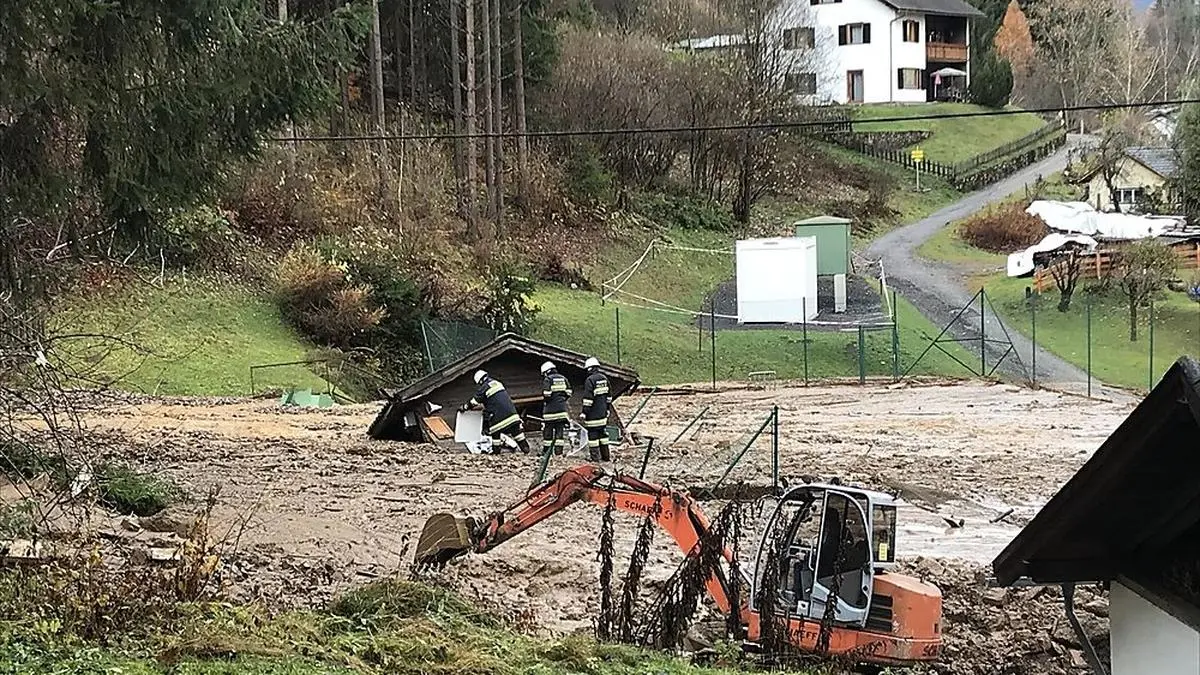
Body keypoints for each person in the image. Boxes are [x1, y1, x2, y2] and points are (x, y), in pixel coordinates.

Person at [460, 369, 530, 454]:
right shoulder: (497, 383)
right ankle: (526, 449)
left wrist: (464, 407)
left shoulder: (484, 388)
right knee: (517, 434)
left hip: (498, 418)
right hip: (513, 415)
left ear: (480, 381)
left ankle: (496, 452)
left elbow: (474, 402)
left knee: (495, 433)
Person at [581, 356, 611, 462]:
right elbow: (609, 397)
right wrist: (607, 409)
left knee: (593, 436)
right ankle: (606, 457)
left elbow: (588, 399)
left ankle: (595, 458)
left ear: (589, 368)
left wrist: (584, 412)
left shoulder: (590, 380)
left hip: (593, 415)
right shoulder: (604, 378)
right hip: (603, 414)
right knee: (603, 435)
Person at [540, 361, 571, 457]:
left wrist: (549, 401)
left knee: (548, 433)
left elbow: (547, 394)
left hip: (550, 412)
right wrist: (561, 399)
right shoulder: (564, 378)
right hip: (562, 411)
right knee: (559, 434)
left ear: (546, 372)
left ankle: (546, 453)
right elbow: (569, 392)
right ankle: (559, 454)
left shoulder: (548, 379)